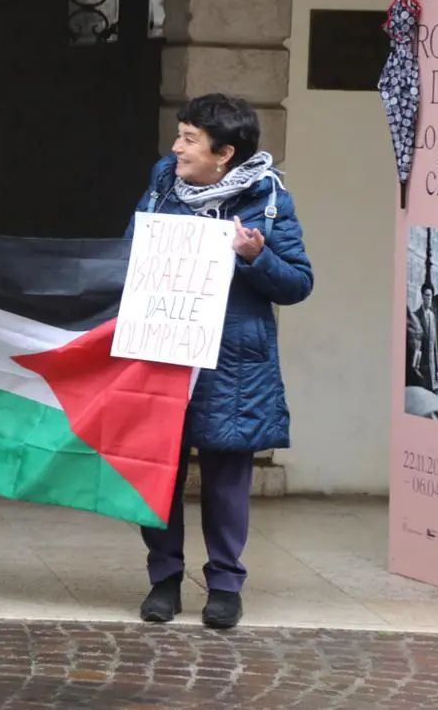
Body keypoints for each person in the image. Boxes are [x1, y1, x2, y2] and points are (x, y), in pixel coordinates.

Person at [130, 93, 313, 631]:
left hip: (233, 362)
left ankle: (226, 586)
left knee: (227, 478)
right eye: (179, 135)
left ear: (224, 153)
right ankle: (164, 580)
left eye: (189, 139)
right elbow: (130, 249)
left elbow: (298, 282)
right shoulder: (163, 185)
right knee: (158, 474)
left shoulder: (269, 200)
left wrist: (256, 257)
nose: (176, 147)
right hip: (163, 350)